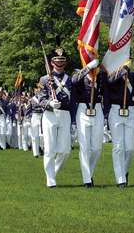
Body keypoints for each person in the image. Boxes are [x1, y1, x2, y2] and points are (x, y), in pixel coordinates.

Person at [39, 44, 76, 188]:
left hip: (65, 115)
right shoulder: (44, 79)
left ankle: (53, 172)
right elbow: (40, 99)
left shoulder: (70, 79)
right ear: (52, 62)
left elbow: (73, 101)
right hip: (50, 115)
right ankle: (51, 180)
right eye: (57, 61)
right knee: (49, 149)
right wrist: (49, 103)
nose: (59, 64)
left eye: (62, 61)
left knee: (65, 150)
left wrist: (73, 120)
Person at [104, 65, 134, 187]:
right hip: (115, 111)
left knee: (130, 149)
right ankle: (120, 179)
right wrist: (120, 73)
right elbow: (108, 85)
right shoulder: (112, 76)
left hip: (131, 111)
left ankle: (124, 171)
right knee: (118, 147)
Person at [72, 59, 103, 188]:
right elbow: (74, 80)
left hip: (97, 110)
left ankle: (89, 173)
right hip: (83, 110)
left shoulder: (101, 76)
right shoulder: (80, 74)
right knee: (84, 147)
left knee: (96, 148)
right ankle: (87, 180)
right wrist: (87, 68)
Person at [29, 84, 44, 158]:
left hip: (42, 116)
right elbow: (28, 110)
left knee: (42, 136)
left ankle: (41, 148)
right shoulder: (31, 100)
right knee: (35, 136)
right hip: (34, 116)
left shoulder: (43, 98)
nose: (37, 92)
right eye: (36, 90)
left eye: (39, 90)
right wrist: (28, 118)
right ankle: (36, 153)